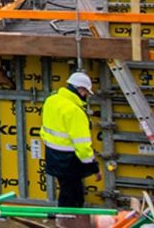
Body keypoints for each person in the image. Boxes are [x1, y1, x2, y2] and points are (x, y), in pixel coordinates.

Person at [42, 72, 101, 208]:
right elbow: (82, 146)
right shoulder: (74, 111)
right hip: (69, 161)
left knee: (67, 191)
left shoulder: (51, 100)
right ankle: (68, 222)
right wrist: (94, 167)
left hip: (53, 156)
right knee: (72, 198)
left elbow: (44, 130)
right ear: (80, 89)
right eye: (86, 92)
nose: (86, 95)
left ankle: (66, 220)